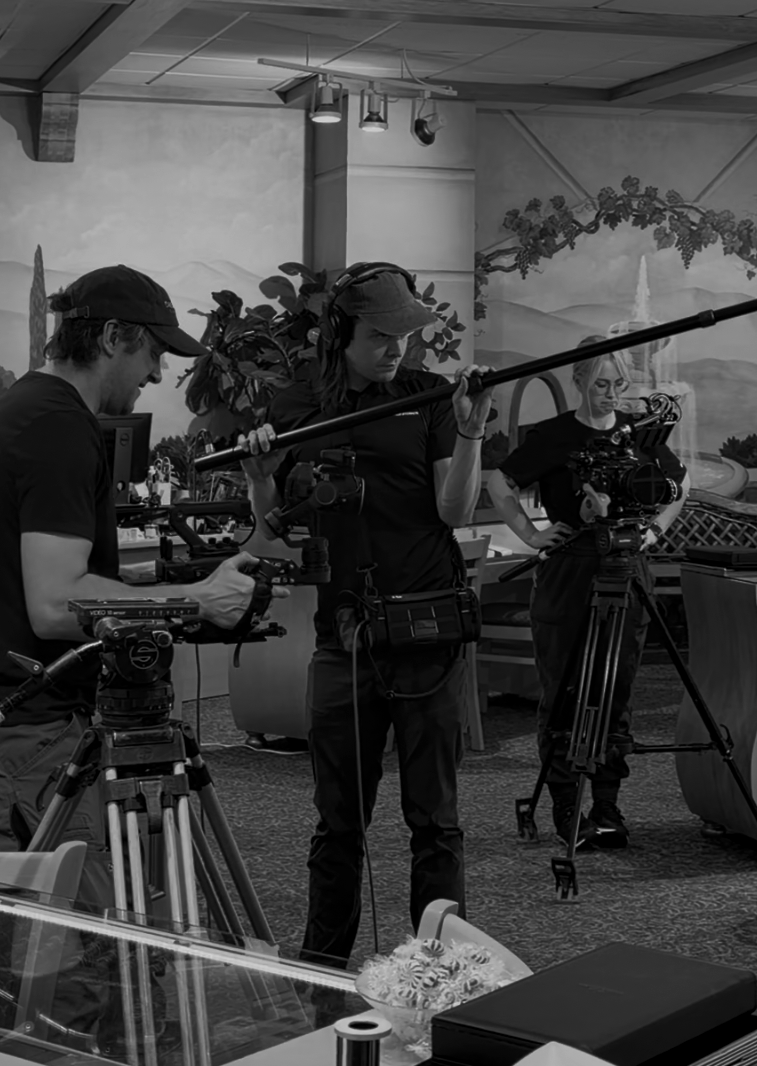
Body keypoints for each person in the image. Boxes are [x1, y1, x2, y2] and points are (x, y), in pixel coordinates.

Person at [240, 262, 493, 965]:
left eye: (404, 336)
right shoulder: (298, 405)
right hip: (343, 637)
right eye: (380, 336)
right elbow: (275, 535)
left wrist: (470, 434)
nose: (395, 349)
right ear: (340, 334)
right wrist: (260, 482)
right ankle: (319, 973)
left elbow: (454, 510)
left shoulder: (428, 396)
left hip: (426, 630)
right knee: (338, 824)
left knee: (435, 821)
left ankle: (443, 975)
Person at [0, 264, 282, 854]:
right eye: (153, 352)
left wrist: (152, 581)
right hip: (32, 738)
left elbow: (25, 573)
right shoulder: (59, 427)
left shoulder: (27, 409)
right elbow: (54, 604)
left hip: (16, 729)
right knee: (63, 912)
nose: (158, 372)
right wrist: (198, 600)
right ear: (111, 336)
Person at [486, 339, 690, 849]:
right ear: (578, 381)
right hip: (569, 570)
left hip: (626, 566)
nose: (611, 393)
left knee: (615, 689)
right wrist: (532, 534)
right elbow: (499, 483)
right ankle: (565, 805)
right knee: (564, 690)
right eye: (601, 383)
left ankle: (606, 805)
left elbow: (679, 485)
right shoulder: (554, 435)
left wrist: (655, 530)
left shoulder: (638, 432)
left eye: (619, 384)